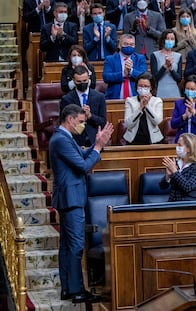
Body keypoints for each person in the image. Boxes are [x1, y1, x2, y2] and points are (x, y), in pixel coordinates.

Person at [49, 104, 113, 303]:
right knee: (75, 245)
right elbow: (83, 166)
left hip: (70, 197)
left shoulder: (64, 138)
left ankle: (69, 289)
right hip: (71, 199)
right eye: (81, 122)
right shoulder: (61, 139)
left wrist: (96, 143)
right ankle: (76, 291)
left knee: (68, 246)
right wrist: (99, 147)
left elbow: (81, 156)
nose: (82, 125)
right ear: (70, 119)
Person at [60, 65, 107, 147]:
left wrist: (90, 116)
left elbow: (103, 122)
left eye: (84, 80)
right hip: (74, 141)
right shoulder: (66, 99)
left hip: (94, 139)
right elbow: (63, 123)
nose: (82, 83)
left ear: (89, 78)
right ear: (73, 80)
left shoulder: (99, 97)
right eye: (79, 81)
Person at [159, 133, 196, 201]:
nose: (177, 147)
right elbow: (162, 187)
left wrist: (175, 171)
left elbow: (188, 187)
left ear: (189, 148)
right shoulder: (176, 163)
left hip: (188, 206)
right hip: (172, 205)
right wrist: (167, 176)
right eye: (177, 144)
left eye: (180, 145)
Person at [102, 34, 147, 99]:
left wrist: (131, 71)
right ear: (119, 45)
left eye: (131, 44)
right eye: (126, 44)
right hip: (114, 98)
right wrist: (123, 73)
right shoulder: (110, 59)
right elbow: (106, 77)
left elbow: (144, 76)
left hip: (136, 98)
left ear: (134, 46)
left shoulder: (140, 58)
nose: (129, 46)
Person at [123, 73, 164, 144]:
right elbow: (128, 124)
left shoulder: (157, 101)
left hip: (153, 139)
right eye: (140, 86)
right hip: (133, 139)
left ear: (151, 87)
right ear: (136, 87)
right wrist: (140, 108)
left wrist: (147, 105)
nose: (143, 88)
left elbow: (157, 121)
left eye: (146, 86)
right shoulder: (130, 101)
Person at [150, 29, 182, 99]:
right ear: (163, 40)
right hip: (159, 90)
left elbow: (179, 78)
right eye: (167, 38)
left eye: (172, 39)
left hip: (174, 90)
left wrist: (171, 68)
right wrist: (164, 66)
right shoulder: (154, 55)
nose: (170, 41)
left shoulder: (178, 56)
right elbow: (154, 78)